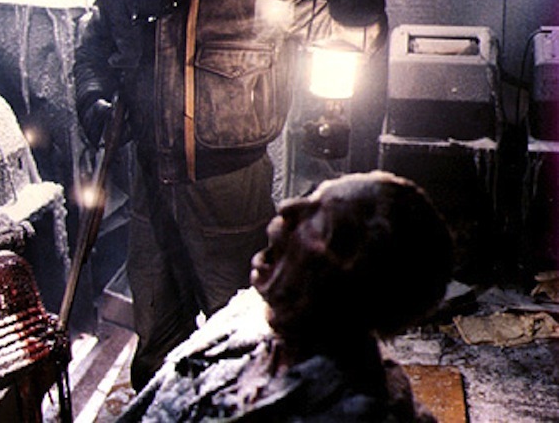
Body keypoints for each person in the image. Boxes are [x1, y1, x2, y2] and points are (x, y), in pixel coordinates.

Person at [73, 0, 387, 390]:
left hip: (231, 197)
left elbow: (352, 39)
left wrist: (359, 1)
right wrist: (92, 98)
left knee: (243, 340)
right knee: (156, 342)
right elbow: (91, 46)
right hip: (149, 192)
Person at [118, 171, 454, 421]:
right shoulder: (241, 324)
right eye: (309, 197)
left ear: (348, 280)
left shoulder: (355, 412)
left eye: (318, 218)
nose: (288, 208)